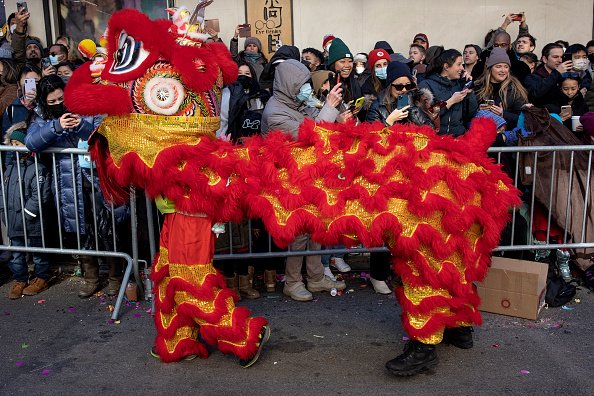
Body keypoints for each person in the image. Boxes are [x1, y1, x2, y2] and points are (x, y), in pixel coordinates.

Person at [24, 75, 124, 298]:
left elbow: (104, 132)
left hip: (96, 178)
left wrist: (81, 126)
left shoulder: (85, 105)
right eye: (52, 102)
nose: (58, 104)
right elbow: (31, 142)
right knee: (81, 229)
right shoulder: (40, 115)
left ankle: (116, 277)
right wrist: (55, 126)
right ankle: (91, 278)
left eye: (61, 98)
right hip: (68, 181)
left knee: (107, 228)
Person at [261, 59, 347, 301]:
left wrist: (335, 111)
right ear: (289, 85)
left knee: (315, 228)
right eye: (301, 86)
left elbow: (321, 124)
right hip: (289, 179)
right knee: (298, 233)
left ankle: (316, 277)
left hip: (308, 176)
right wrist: (328, 108)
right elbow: (311, 136)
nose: (306, 90)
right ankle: (293, 281)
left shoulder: (298, 103)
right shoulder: (276, 112)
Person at [1, 121, 52, 299]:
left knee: (38, 251)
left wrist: (28, 213)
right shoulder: (9, 169)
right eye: (13, 144)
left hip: (32, 220)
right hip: (13, 218)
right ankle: (20, 278)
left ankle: (41, 277)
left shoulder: (38, 168)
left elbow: (40, 195)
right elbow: (3, 190)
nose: (15, 148)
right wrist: (3, 210)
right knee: (16, 253)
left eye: (19, 144)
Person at [419, 49, 478, 136]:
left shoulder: (459, 85)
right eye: (459, 64)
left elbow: (470, 114)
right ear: (446, 67)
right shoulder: (426, 84)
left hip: (459, 138)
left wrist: (469, 90)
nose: (462, 68)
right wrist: (451, 101)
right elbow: (429, 112)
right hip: (436, 139)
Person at [474, 48, 529, 128]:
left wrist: (503, 114)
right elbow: (466, 115)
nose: (503, 70)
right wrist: (478, 110)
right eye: (498, 66)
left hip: (506, 135)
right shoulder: (478, 86)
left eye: (506, 67)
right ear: (490, 68)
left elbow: (523, 119)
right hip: (481, 132)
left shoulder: (515, 89)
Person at [524, 43, 571, 108]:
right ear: (545, 59)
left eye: (562, 57)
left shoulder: (563, 77)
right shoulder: (532, 77)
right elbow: (536, 94)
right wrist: (556, 73)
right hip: (543, 116)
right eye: (555, 57)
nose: (560, 61)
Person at [326, 38, 363, 117]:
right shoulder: (326, 83)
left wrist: (356, 110)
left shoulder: (354, 82)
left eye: (350, 61)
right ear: (333, 64)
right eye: (342, 61)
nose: (347, 65)